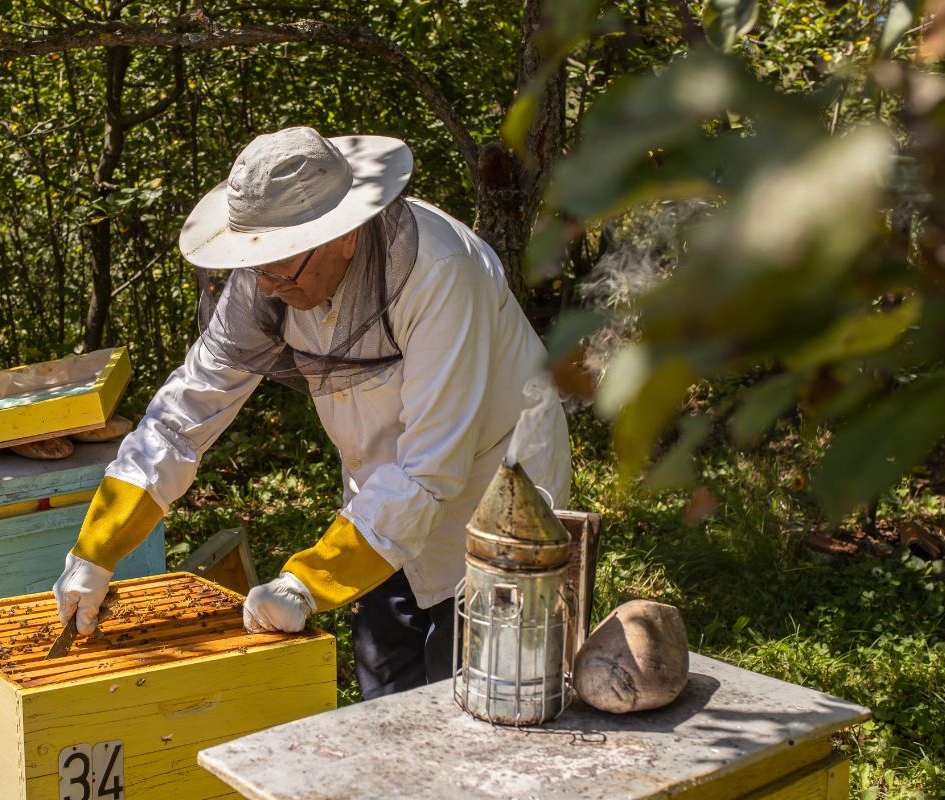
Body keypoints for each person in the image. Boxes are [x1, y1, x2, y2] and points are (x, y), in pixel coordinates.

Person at [53, 126, 570, 699]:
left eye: (279, 269)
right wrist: (97, 550)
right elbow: (183, 415)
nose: (265, 287)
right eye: (255, 267)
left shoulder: (441, 272)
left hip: (495, 494)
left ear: (343, 235)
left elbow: (430, 469)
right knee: (388, 703)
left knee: (484, 705)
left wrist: (307, 582)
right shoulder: (269, 272)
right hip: (380, 501)